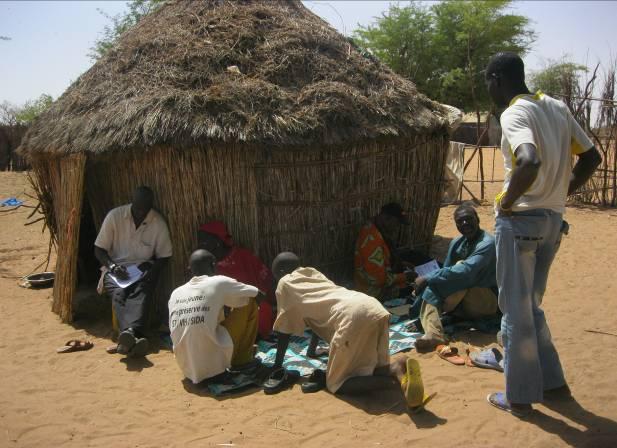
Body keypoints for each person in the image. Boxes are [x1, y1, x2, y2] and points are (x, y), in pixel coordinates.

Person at [484, 52, 601, 416]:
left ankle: (518, 397)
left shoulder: (515, 112)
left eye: (487, 81)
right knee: (530, 307)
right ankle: (554, 383)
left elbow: (529, 159)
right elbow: (592, 157)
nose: (487, 88)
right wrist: (559, 194)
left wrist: (506, 200)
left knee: (514, 313)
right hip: (552, 222)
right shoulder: (557, 107)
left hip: (520, 222)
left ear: (497, 78)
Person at [269, 252, 427, 408]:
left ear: (282, 272)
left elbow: (284, 329)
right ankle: (398, 364)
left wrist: (277, 366)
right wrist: (312, 351)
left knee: (337, 383)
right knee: (372, 369)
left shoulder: (285, 283)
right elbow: (317, 315)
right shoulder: (312, 273)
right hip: (372, 306)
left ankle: (395, 380)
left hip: (351, 317)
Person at [94, 186, 172, 357]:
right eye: (137, 209)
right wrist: (113, 267)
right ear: (132, 203)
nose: (140, 213)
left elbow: (164, 256)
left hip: (142, 271)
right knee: (119, 292)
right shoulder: (115, 217)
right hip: (115, 269)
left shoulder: (157, 223)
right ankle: (135, 335)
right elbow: (99, 249)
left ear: (150, 206)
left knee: (141, 291)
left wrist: (153, 271)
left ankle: (127, 337)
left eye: (145, 209)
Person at [413, 202, 499, 351]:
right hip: (464, 303)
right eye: (460, 221)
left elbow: (466, 271)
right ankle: (433, 334)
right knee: (439, 282)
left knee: (458, 273)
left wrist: (428, 277)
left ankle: (433, 328)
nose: (464, 223)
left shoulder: (488, 243)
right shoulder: (457, 243)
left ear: (477, 219)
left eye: (468, 219)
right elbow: (446, 271)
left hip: (486, 302)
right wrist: (430, 280)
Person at [169, 249, 263, 384]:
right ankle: (242, 360)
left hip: (187, 369)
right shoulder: (218, 282)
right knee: (249, 302)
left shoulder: (175, 293)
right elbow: (256, 293)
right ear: (214, 265)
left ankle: (219, 357)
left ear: (190, 269)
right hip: (214, 369)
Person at [197, 220, 276, 343]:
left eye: (204, 240)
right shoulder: (202, 263)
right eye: (200, 240)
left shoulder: (243, 256)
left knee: (263, 310)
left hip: (247, 305)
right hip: (219, 311)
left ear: (218, 242)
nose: (200, 244)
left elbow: (265, 283)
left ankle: (252, 337)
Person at [354, 202, 417, 301]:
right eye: (396, 223)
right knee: (419, 288)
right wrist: (405, 277)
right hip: (373, 293)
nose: (397, 227)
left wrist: (401, 264)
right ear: (386, 218)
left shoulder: (374, 227)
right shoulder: (372, 241)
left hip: (378, 283)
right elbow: (379, 279)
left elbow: (383, 259)